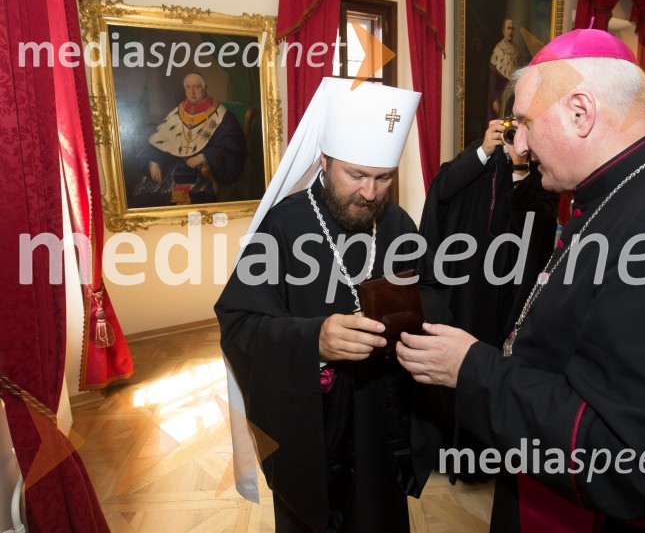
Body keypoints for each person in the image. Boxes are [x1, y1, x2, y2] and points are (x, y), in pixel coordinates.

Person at [397, 29, 645, 532]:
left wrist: (472, 369)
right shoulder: (626, 193)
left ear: (581, 112)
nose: (521, 144)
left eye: (528, 123)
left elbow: (638, 460)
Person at [215, 78, 451, 533]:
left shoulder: (397, 222)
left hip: (382, 423)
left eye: (383, 178)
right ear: (323, 162)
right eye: (356, 175)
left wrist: (411, 319)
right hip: (313, 429)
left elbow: (435, 296)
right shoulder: (283, 227)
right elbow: (239, 324)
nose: (370, 193)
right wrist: (314, 340)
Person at [419, 118, 558, 484]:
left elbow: (539, 227)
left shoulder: (542, 180)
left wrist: (523, 167)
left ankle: (488, 458)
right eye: (512, 134)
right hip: (471, 296)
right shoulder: (475, 169)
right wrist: (485, 150)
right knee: (463, 369)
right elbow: (443, 191)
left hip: (513, 297)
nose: (517, 143)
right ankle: (454, 455)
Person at [133, 72, 247, 206]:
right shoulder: (178, 111)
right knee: (146, 193)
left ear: (205, 88)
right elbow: (160, 140)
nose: (192, 92)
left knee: (190, 198)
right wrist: (153, 162)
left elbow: (233, 145)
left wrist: (205, 156)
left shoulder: (221, 114)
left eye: (197, 87)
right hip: (173, 168)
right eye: (188, 87)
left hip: (203, 171)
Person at [488, 18, 523, 120]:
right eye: (508, 28)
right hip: (502, 95)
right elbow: (493, 79)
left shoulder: (517, 50)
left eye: (512, 29)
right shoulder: (498, 49)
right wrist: (495, 99)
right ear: (503, 31)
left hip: (515, 95)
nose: (511, 31)